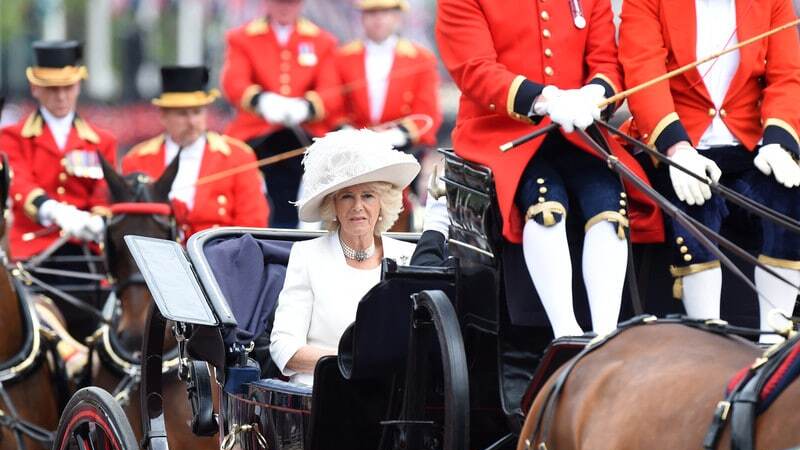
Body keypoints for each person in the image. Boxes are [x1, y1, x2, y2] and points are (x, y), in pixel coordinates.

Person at [435, 1, 664, 338]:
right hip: (501, 131)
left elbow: (606, 60)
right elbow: (475, 69)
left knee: (609, 201)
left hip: (576, 132)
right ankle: (565, 334)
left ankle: (605, 334)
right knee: (546, 202)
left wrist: (596, 93)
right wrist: (544, 99)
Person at [619, 0, 800, 341]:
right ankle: (708, 336)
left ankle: (772, 338)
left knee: (790, 196)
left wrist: (778, 141)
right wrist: (677, 149)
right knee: (697, 201)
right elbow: (644, 72)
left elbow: (787, 76)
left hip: (749, 147)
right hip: (681, 145)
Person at [269, 129, 419, 385]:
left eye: (368, 196)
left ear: (382, 204)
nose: (358, 206)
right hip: (322, 391)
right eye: (347, 196)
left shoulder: (407, 256)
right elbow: (285, 349)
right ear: (333, 207)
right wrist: (354, 360)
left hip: (394, 396)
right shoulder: (308, 256)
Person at [221, 0, 341, 229]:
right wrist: (261, 101)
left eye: (291, 2)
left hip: (304, 134)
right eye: (279, 2)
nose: (285, 7)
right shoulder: (242, 38)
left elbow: (331, 91)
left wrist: (306, 107)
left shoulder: (322, 41)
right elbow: (234, 81)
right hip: (257, 132)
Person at [122, 66, 269, 241]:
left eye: (197, 112)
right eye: (182, 114)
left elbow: (253, 223)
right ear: (163, 116)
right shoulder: (137, 159)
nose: (192, 122)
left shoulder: (238, 156)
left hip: (219, 258)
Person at [0, 40, 114, 260]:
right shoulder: (11, 137)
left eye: (68, 87)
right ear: (35, 88)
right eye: (52, 89)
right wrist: (53, 210)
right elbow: (19, 183)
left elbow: (103, 192)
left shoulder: (102, 141)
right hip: (32, 249)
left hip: (86, 248)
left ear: (78, 86)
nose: (61, 96)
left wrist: (98, 220)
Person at [333, 0, 442, 231]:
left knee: (396, 210)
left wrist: (395, 135)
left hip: (399, 152)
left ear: (397, 16)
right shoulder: (343, 57)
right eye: (372, 13)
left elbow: (428, 113)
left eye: (385, 12)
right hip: (354, 153)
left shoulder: (420, 58)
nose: (378, 18)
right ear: (362, 17)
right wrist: (349, 132)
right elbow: (333, 105)